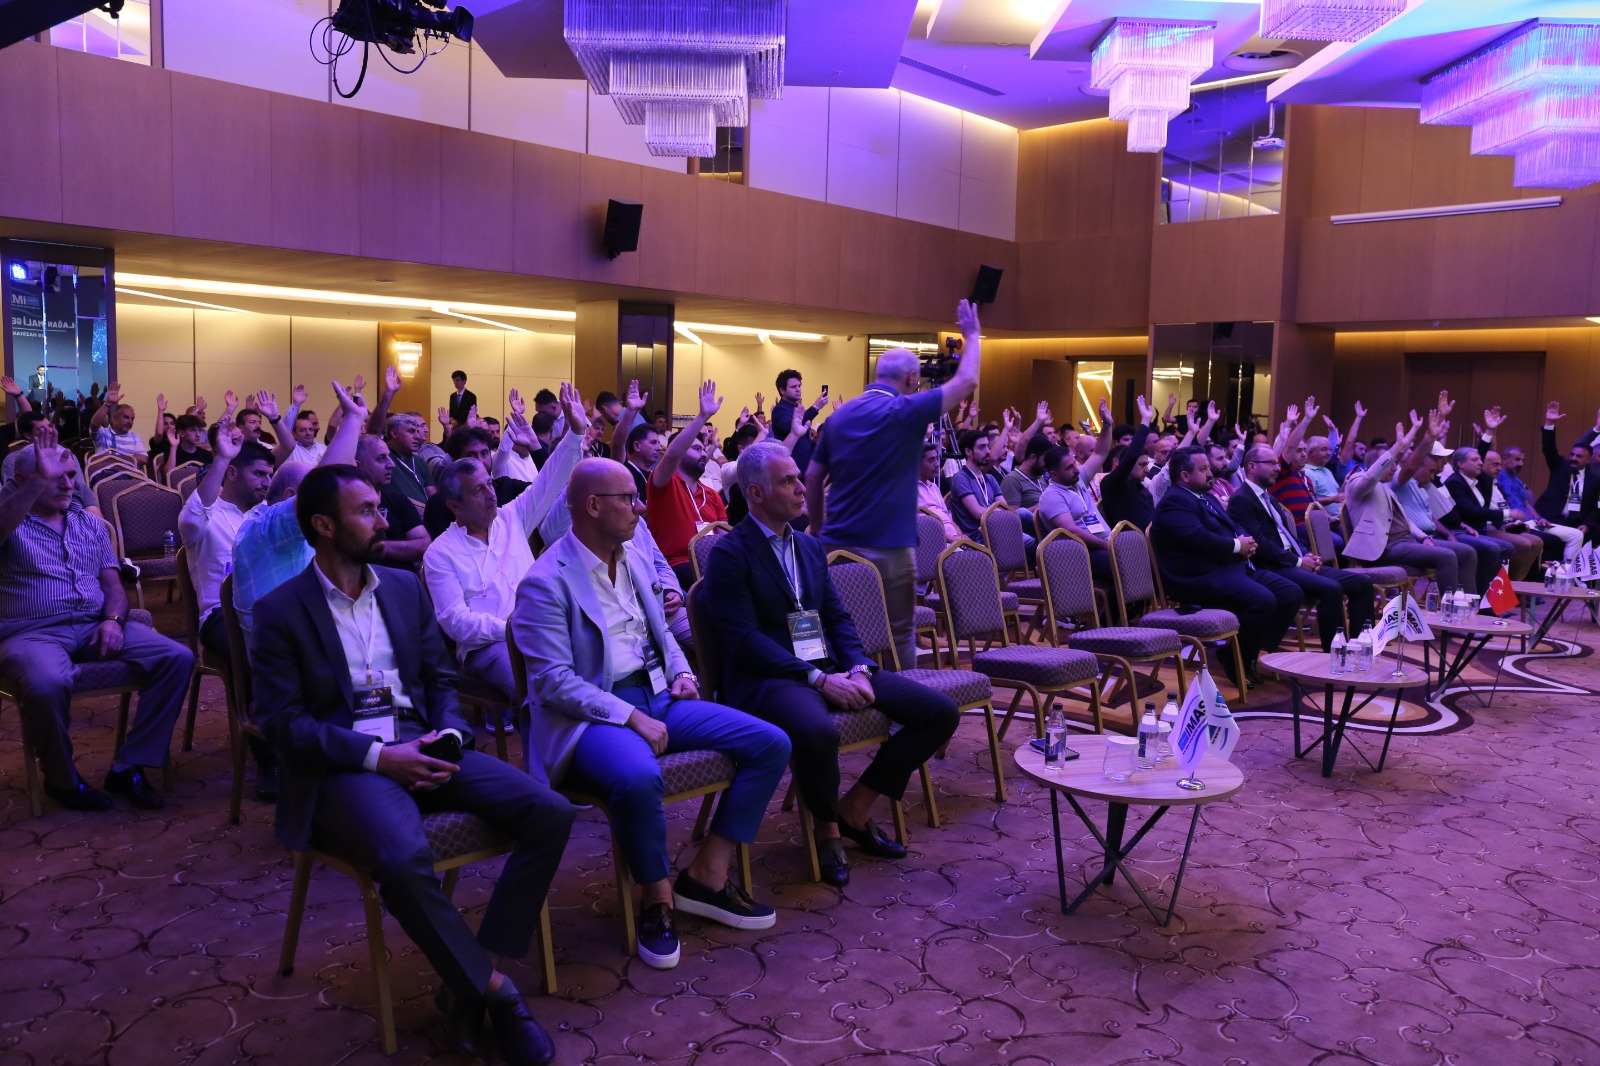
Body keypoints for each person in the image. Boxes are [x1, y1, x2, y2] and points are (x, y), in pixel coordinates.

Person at [251, 463, 571, 1065]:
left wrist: (448, 730)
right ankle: (498, 995)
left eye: (380, 507)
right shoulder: (282, 610)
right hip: (347, 766)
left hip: (424, 743)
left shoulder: (401, 588)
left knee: (550, 812)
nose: (383, 521)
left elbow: (439, 678)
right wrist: (379, 756)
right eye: (367, 511)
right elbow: (282, 723)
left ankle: (473, 975)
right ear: (323, 525)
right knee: (401, 859)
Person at [514, 458, 790, 970]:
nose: (639, 508)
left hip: (660, 696)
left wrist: (683, 673)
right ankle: (656, 898)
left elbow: (660, 634)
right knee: (640, 777)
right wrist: (628, 716)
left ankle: (706, 875)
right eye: (628, 498)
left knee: (771, 742)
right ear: (593, 506)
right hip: (589, 717)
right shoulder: (545, 580)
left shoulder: (636, 559)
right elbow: (553, 682)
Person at [705, 443, 958, 887]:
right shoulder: (729, 553)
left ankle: (854, 808)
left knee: (939, 712)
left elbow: (837, 618)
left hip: (827, 666)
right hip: (769, 678)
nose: (802, 488)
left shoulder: (807, 546)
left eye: (799, 478)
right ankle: (826, 830)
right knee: (818, 730)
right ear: (756, 493)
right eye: (788, 481)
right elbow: (744, 640)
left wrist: (857, 668)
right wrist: (819, 680)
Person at [0, 424, 193, 811]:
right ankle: (62, 780)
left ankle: (129, 765)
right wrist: (34, 485)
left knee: (177, 657)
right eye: (54, 476)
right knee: (47, 682)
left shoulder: (89, 523)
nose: (68, 484)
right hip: (31, 634)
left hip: (92, 624)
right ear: (23, 480)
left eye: (72, 475)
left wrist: (114, 621)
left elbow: (113, 586)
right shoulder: (12, 522)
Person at [806, 300, 983, 670]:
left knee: (837, 628)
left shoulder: (840, 416)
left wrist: (819, 527)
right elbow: (966, 381)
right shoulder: (906, 410)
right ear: (911, 378)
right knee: (898, 633)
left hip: (836, 544)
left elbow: (812, 477)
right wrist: (972, 334)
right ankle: (902, 698)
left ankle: (839, 692)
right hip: (888, 547)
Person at [424, 385, 586, 722]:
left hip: (543, 629)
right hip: (489, 646)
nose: (491, 494)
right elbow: (456, 622)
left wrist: (575, 433)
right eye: (479, 490)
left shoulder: (512, 517)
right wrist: (512, 629)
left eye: (490, 483)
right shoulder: (440, 553)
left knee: (595, 665)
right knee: (538, 690)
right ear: (454, 505)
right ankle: (543, 755)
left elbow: (550, 480)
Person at [179, 424, 279, 798]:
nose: (266, 483)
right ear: (233, 473)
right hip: (221, 617)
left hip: (271, 610)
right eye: (259, 474)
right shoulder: (206, 517)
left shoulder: (269, 516)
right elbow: (191, 518)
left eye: (269, 475)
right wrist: (221, 457)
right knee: (260, 649)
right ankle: (269, 760)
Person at [231, 382, 368, 650]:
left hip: (312, 639)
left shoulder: (307, 532)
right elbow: (324, 488)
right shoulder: (261, 529)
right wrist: (353, 419)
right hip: (283, 655)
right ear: (291, 497)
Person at [1150, 446, 1302, 687]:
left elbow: (1233, 525)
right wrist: (1237, 546)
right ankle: (1235, 656)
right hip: (1196, 579)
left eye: (1208, 468)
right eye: (1203, 469)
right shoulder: (1175, 501)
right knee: (1263, 600)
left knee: (1290, 592)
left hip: (1227, 569)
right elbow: (1197, 538)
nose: (1210, 473)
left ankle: (1249, 652)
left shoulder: (1205, 497)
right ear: (1185, 476)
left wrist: (1245, 539)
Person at [1229, 446, 1374, 652]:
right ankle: (1336, 654)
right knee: (1331, 589)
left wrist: (1306, 553)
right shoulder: (1242, 499)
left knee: (1362, 583)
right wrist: (1298, 561)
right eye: (1271, 463)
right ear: (1252, 467)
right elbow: (1260, 544)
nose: (1277, 468)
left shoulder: (1268, 497)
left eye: (1276, 464)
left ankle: (1360, 648)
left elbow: (1289, 535)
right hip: (1273, 567)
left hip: (1293, 561)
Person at [1343, 409, 1470, 591]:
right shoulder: (1357, 482)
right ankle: (1450, 606)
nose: (1395, 468)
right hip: (1384, 547)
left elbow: (1406, 520)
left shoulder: (1386, 488)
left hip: (1406, 541)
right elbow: (1372, 476)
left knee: (1466, 552)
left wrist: (1424, 537)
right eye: (1391, 464)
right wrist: (1397, 447)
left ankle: (1469, 602)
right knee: (1447, 557)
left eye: (1395, 463)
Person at [646, 381, 729, 586]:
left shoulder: (712, 494)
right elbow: (672, 454)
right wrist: (702, 418)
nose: (703, 454)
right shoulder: (664, 484)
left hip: (712, 564)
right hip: (675, 566)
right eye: (696, 449)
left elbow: (723, 537)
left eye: (704, 449)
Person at [1445, 446, 1542, 580]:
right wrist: (1508, 514)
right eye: (1475, 460)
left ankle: (1515, 584)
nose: (1480, 463)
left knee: (1537, 541)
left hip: (1486, 526)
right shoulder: (1455, 482)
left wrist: (1504, 524)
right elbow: (1472, 511)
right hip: (1470, 529)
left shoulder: (1477, 482)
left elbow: (1487, 508)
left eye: (1480, 460)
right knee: (1519, 545)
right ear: (1460, 464)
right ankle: (1505, 585)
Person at [423, 425, 530, 540]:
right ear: (455, 461)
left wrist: (535, 446)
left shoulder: (506, 487)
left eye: (484, 453)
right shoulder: (439, 504)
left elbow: (542, 491)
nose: (480, 461)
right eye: (471, 455)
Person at [354, 434, 432, 566]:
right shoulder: (346, 507)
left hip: (403, 577)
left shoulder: (398, 501)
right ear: (358, 465)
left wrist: (377, 546)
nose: (391, 465)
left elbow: (425, 545)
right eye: (381, 458)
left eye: (389, 457)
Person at [1534, 402, 1600, 537]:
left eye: (1579, 456)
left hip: (1577, 522)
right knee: (1572, 536)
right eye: (1572, 455)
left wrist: (1587, 524)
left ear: (1589, 460)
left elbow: (1595, 507)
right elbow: (1549, 448)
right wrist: (1549, 423)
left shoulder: (1594, 479)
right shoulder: (1560, 466)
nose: (1574, 458)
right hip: (1551, 518)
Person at [770, 370, 825, 474]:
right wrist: (815, 407)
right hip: (792, 466)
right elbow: (792, 427)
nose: (798, 389)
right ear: (782, 390)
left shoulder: (795, 408)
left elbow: (804, 438)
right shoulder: (780, 410)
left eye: (799, 386)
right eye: (793, 387)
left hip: (805, 465)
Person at [385, 413, 435, 504]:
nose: (417, 437)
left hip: (424, 511)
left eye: (417, 432)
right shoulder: (383, 457)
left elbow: (433, 496)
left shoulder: (419, 461)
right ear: (394, 433)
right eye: (411, 431)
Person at [88, 383, 143, 463]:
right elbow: (94, 424)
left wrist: (113, 458)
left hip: (129, 471)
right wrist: (108, 404)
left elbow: (143, 458)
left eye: (132, 418)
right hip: (107, 470)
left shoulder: (135, 437)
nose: (130, 421)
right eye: (126, 417)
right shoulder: (102, 433)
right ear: (114, 417)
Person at [916, 442, 959, 543]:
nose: (937, 464)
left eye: (937, 459)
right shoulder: (910, 489)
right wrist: (950, 539)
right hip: (934, 543)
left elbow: (949, 519)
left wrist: (961, 537)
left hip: (954, 541)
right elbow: (922, 527)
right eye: (931, 460)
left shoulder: (934, 487)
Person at [623, 422, 665, 503]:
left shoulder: (656, 476)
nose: (659, 448)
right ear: (637, 446)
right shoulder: (625, 475)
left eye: (659, 443)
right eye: (653, 442)